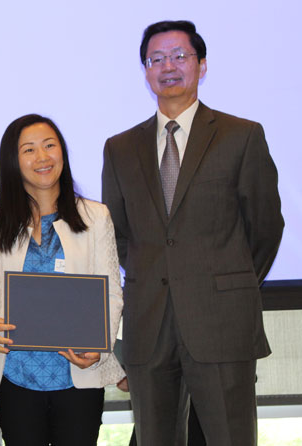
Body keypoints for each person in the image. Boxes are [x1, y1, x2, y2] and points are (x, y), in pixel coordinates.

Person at [102, 20, 284, 446]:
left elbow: (265, 228)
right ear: (145, 71)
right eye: (156, 59)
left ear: (201, 65)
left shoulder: (241, 135)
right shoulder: (120, 147)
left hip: (221, 323)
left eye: (179, 56)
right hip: (149, 327)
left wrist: (222, 285)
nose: (168, 66)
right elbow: (118, 235)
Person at [0, 114, 124, 446]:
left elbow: (112, 292)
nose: (42, 158)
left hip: (79, 373)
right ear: (13, 161)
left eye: (50, 146)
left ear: (63, 153)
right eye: (29, 150)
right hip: (16, 374)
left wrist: (98, 343)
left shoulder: (96, 217)